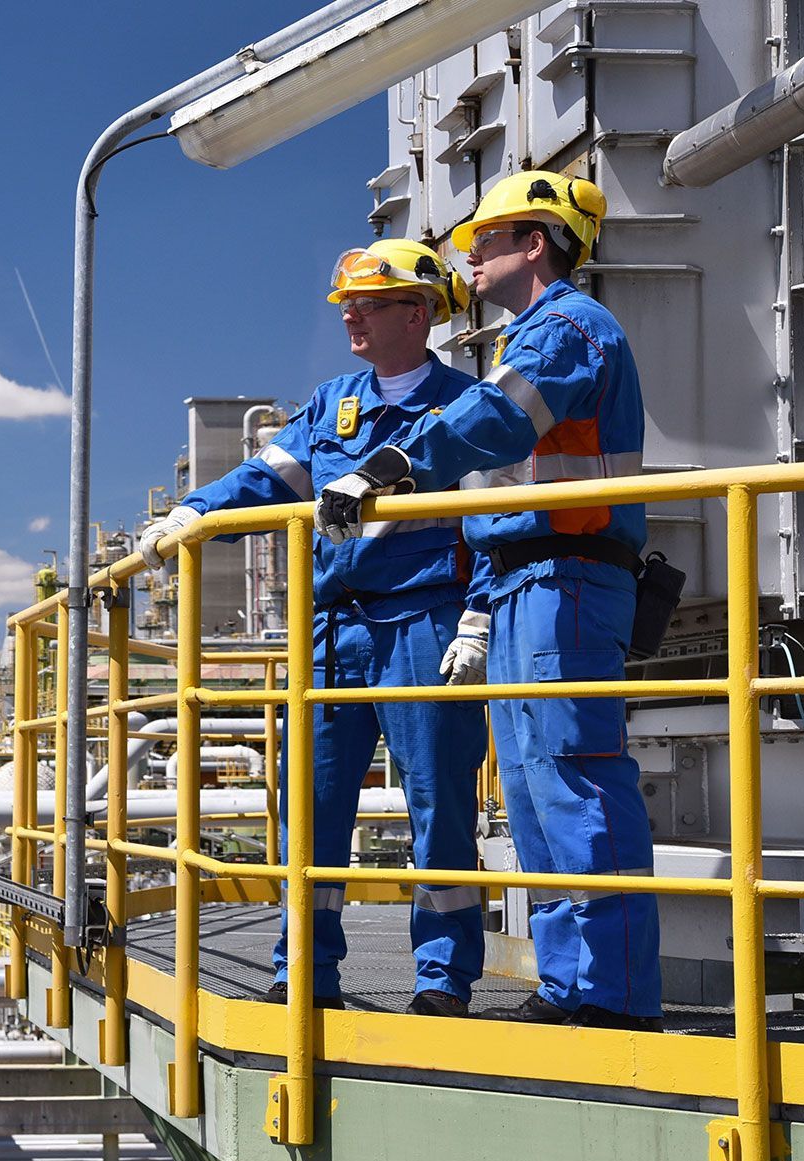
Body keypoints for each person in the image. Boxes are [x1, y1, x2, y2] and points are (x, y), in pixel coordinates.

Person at [313, 172, 661, 1031]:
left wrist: (388, 466)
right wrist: (477, 604)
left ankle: (613, 996)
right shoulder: (525, 337)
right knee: (537, 799)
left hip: (567, 577)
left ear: (534, 243)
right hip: (520, 582)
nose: (467, 252)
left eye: (488, 238)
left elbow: (495, 423)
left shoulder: (570, 329)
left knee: (573, 781)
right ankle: (572, 984)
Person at [139, 238, 487, 1017]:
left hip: (425, 621)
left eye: (368, 304)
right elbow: (268, 475)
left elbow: (496, 524)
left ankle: (441, 980)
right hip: (331, 631)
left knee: (439, 806)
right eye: (347, 307)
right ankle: (304, 969)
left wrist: (478, 615)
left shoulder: (467, 411)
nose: (351, 318)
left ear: (420, 313)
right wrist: (194, 512)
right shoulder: (336, 404)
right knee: (311, 805)